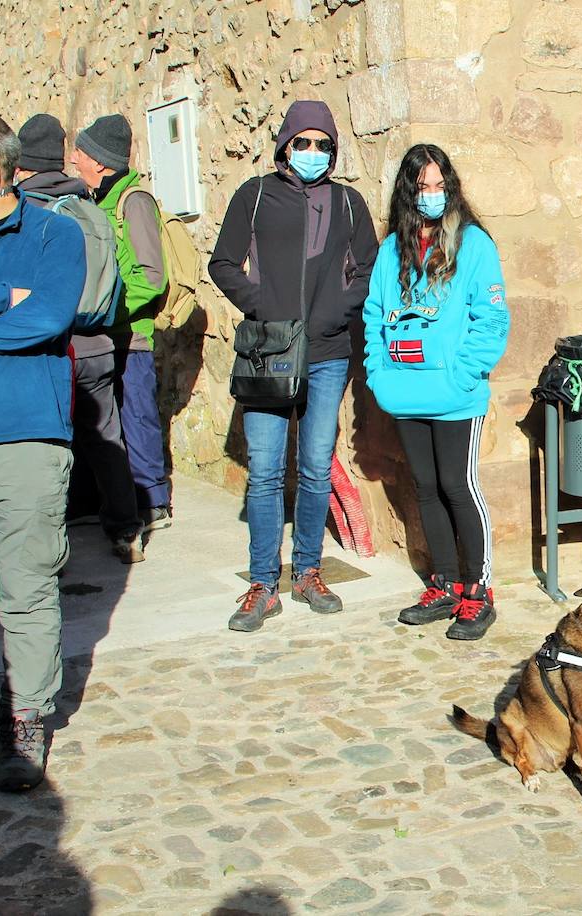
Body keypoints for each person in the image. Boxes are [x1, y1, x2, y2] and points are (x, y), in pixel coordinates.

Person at [208, 100, 378, 632]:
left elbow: (368, 270)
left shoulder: (349, 203)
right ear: (285, 145)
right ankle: (263, 581)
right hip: (268, 349)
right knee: (264, 471)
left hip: (326, 353)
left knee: (314, 466)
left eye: (322, 144)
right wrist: (266, 305)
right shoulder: (254, 196)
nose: (312, 152)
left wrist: (331, 315)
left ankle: (307, 570)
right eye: (302, 142)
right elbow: (222, 263)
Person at [362, 144, 509, 642]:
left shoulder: (474, 245)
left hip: (454, 395)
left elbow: (491, 321)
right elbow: (373, 317)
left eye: (439, 185)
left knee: (457, 485)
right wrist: (378, 375)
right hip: (404, 393)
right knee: (424, 488)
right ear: (408, 192)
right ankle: (444, 583)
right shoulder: (391, 252)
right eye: (422, 187)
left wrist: (461, 376)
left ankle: (479, 590)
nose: (431, 196)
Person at [0, 114, 85, 791]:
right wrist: (5, 299)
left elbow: (48, 317)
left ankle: (27, 717)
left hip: (25, 430)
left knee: (24, 584)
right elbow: (18, 314)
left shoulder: (57, 232)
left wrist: (20, 304)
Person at [15, 113, 143, 564]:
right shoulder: (90, 209)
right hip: (97, 342)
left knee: (46, 446)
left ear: (19, 163)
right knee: (108, 439)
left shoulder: (22, 213)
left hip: (48, 349)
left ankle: (49, 546)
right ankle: (128, 531)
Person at [68, 114, 173, 538]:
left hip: (132, 336)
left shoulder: (135, 202)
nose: (75, 159)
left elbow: (151, 275)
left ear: (102, 162)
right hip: (104, 337)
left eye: (83, 153)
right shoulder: (96, 202)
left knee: (139, 419)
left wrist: (109, 312)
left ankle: (154, 501)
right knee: (109, 428)